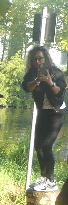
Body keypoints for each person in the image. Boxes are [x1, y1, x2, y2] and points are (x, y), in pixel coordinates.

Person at [21, 45, 66, 191]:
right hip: (42, 112)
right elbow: (27, 87)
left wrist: (49, 82)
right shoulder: (32, 74)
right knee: (38, 145)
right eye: (34, 59)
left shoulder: (56, 72)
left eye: (40, 58)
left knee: (46, 145)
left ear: (45, 58)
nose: (37, 62)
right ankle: (44, 177)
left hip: (56, 112)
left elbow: (59, 92)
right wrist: (37, 80)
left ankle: (51, 180)